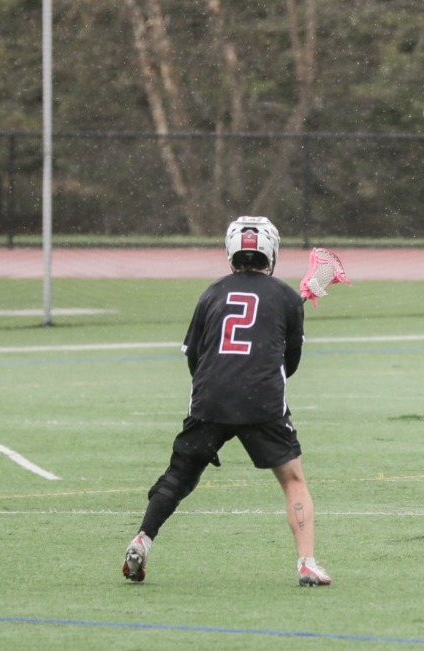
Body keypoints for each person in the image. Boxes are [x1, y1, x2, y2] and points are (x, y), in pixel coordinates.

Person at [122, 215, 331, 587]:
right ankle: (306, 563)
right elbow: (291, 364)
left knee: (179, 477)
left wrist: (213, 389)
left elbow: (193, 355)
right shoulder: (286, 297)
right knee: (293, 479)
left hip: (211, 397)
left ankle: (142, 539)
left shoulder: (212, 292)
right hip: (261, 401)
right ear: (271, 251)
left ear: (232, 250)